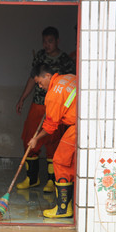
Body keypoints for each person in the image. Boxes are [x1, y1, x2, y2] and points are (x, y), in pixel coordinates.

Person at [16, 26, 75, 193]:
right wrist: (22, 98)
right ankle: (32, 178)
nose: (46, 45)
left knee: (54, 141)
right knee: (30, 137)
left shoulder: (65, 61)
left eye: (50, 41)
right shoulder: (40, 57)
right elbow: (32, 79)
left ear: (57, 41)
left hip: (58, 107)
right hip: (38, 104)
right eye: (44, 41)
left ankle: (52, 180)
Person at [27, 63, 76, 219]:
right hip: (85, 123)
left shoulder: (53, 94)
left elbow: (50, 127)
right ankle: (70, 203)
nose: (40, 87)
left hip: (77, 127)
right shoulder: (70, 77)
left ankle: (63, 208)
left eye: (40, 83)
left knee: (60, 161)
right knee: (72, 163)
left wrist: (36, 139)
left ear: (47, 76)